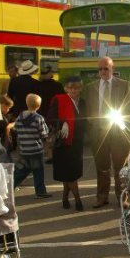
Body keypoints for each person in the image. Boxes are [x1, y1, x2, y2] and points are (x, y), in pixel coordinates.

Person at [83, 57, 130, 207]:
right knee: (102, 167)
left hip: (117, 132)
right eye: (100, 69)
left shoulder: (123, 85)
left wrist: (124, 126)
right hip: (98, 133)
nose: (103, 72)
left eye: (106, 68)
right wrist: (91, 125)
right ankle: (102, 197)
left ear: (112, 69)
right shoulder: (91, 87)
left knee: (120, 167)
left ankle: (122, 197)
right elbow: (88, 109)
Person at [48, 76, 87, 211]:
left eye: (76, 87)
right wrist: (62, 123)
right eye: (70, 87)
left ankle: (65, 198)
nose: (73, 90)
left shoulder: (82, 102)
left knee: (70, 174)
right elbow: (50, 118)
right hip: (63, 143)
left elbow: (85, 121)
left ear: (80, 89)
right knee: (71, 175)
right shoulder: (59, 100)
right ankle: (78, 200)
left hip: (77, 143)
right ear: (65, 88)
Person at [13, 94, 51, 199]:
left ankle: (9, 187)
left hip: (24, 149)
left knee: (23, 170)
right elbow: (44, 134)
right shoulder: (38, 118)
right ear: (38, 106)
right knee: (38, 171)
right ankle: (40, 191)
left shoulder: (19, 117)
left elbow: (16, 130)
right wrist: (47, 147)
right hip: (36, 149)